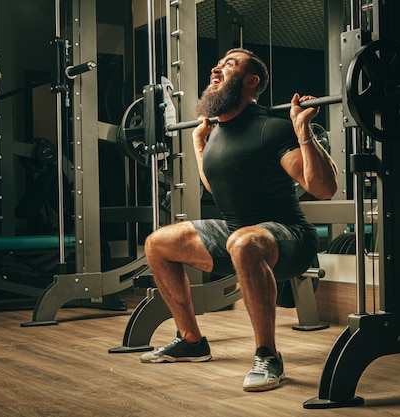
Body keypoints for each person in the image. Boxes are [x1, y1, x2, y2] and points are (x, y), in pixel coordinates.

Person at [140, 48, 338, 392]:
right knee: (158, 244)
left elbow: (323, 189)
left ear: (251, 82)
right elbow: (217, 186)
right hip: (236, 235)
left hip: (289, 238)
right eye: (217, 64)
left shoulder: (272, 128)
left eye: (229, 65)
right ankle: (191, 341)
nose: (216, 68)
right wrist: (199, 145)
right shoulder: (216, 131)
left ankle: (268, 356)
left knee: (243, 241)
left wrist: (302, 130)